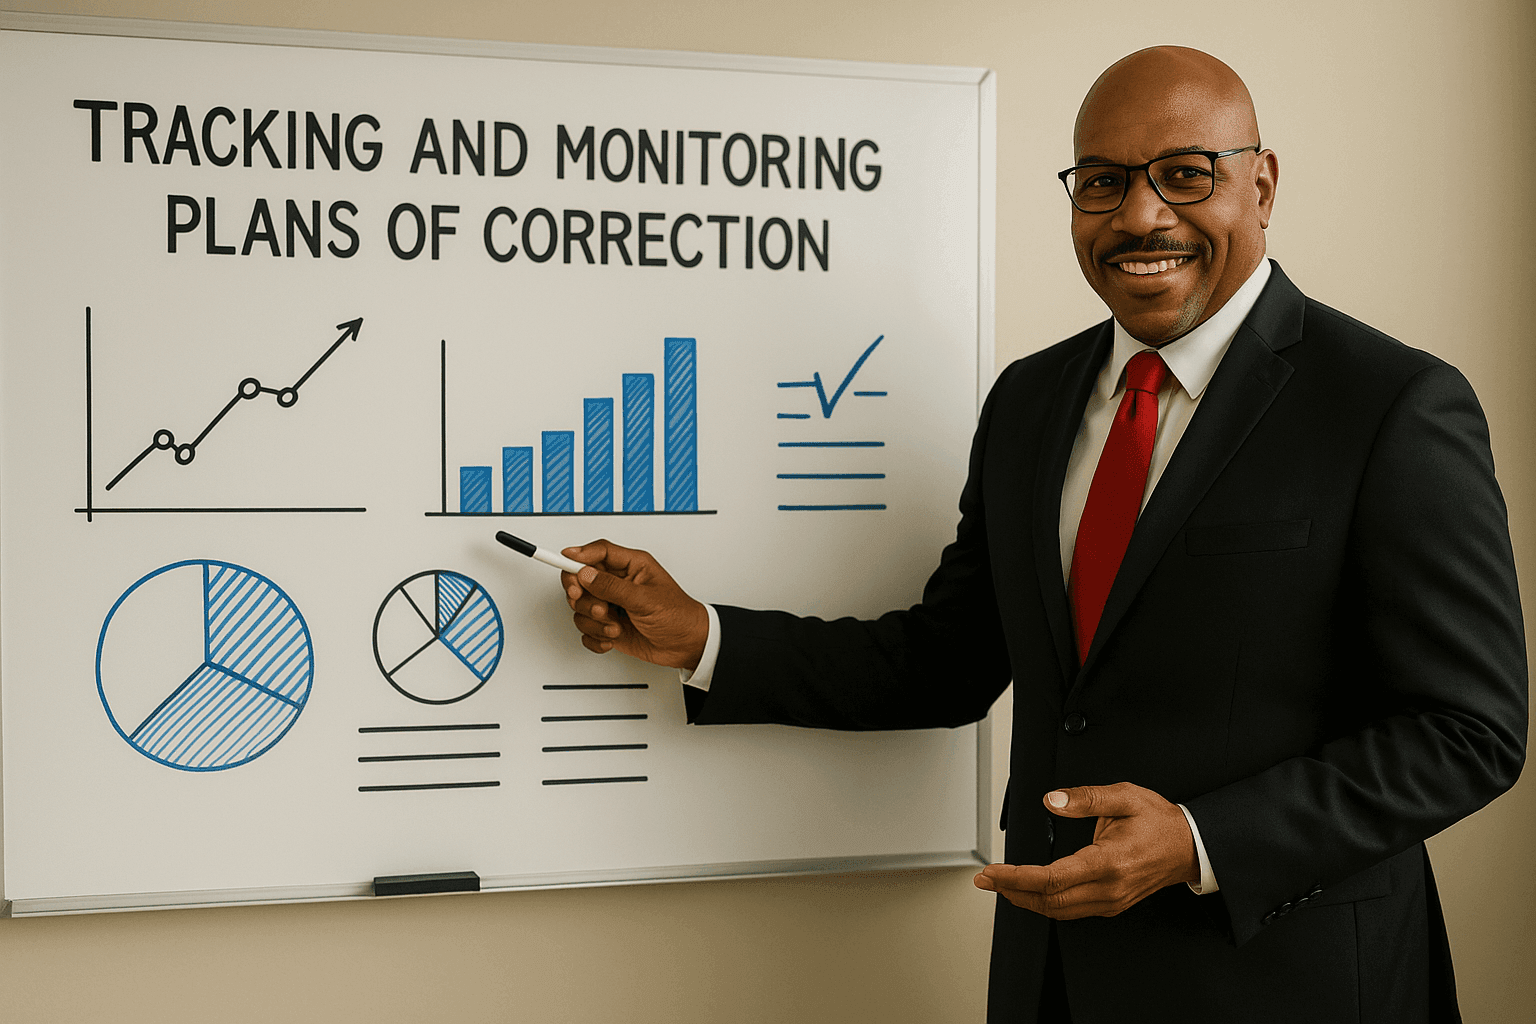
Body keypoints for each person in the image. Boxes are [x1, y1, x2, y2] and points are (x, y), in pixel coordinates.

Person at [556, 46, 1527, 1023]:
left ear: (1262, 183)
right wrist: (702, 636)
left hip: (1293, 985)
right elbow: (946, 659)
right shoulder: (1030, 400)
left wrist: (1199, 840)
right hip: (1054, 982)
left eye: (1187, 174)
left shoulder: (1390, 403)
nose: (1141, 216)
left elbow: (1469, 729)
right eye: (1102, 183)